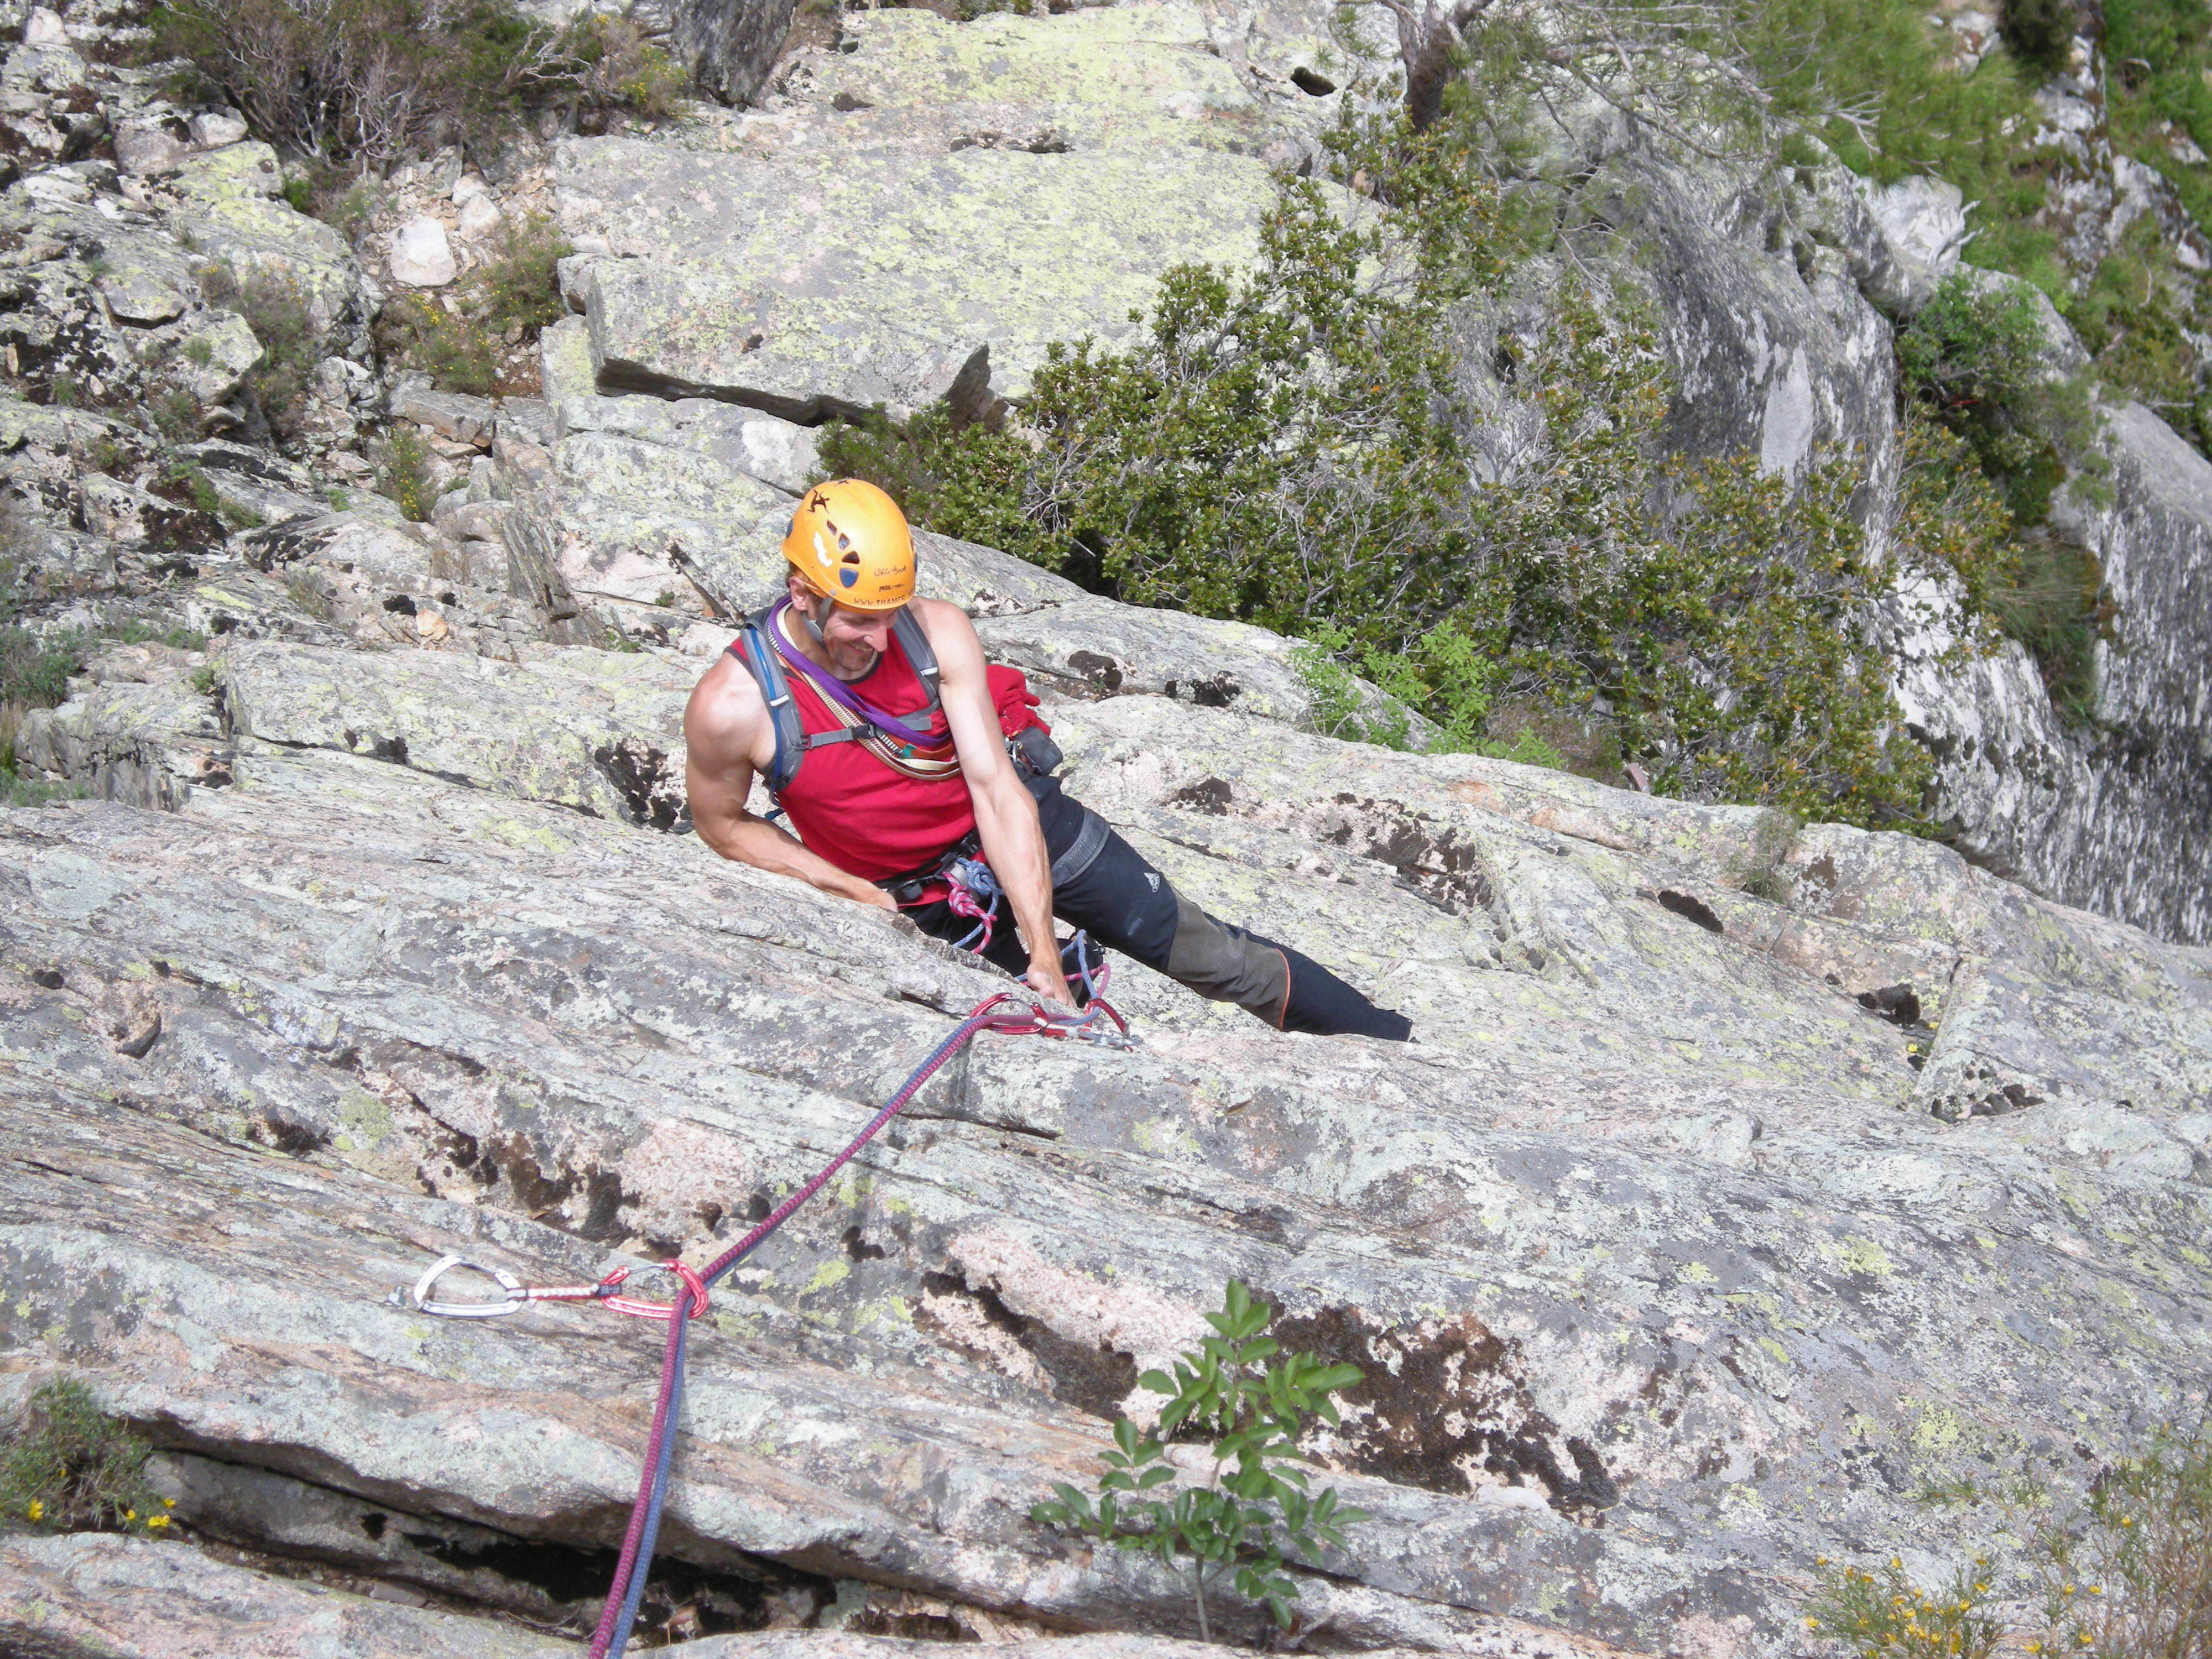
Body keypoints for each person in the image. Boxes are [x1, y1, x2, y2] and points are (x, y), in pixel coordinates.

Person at [683, 479, 1412, 1040]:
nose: (877, 639)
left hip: (1028, 825)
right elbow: (722, 825)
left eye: (889, 615)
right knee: (1053, 1036)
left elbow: (994, 788)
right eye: (857, 621)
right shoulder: (735, 706)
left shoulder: (935, 633)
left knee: (1212, 957)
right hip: (917, 899)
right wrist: (848, 888)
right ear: (802, 593)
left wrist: (1041, 949)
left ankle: (1395, 1046)